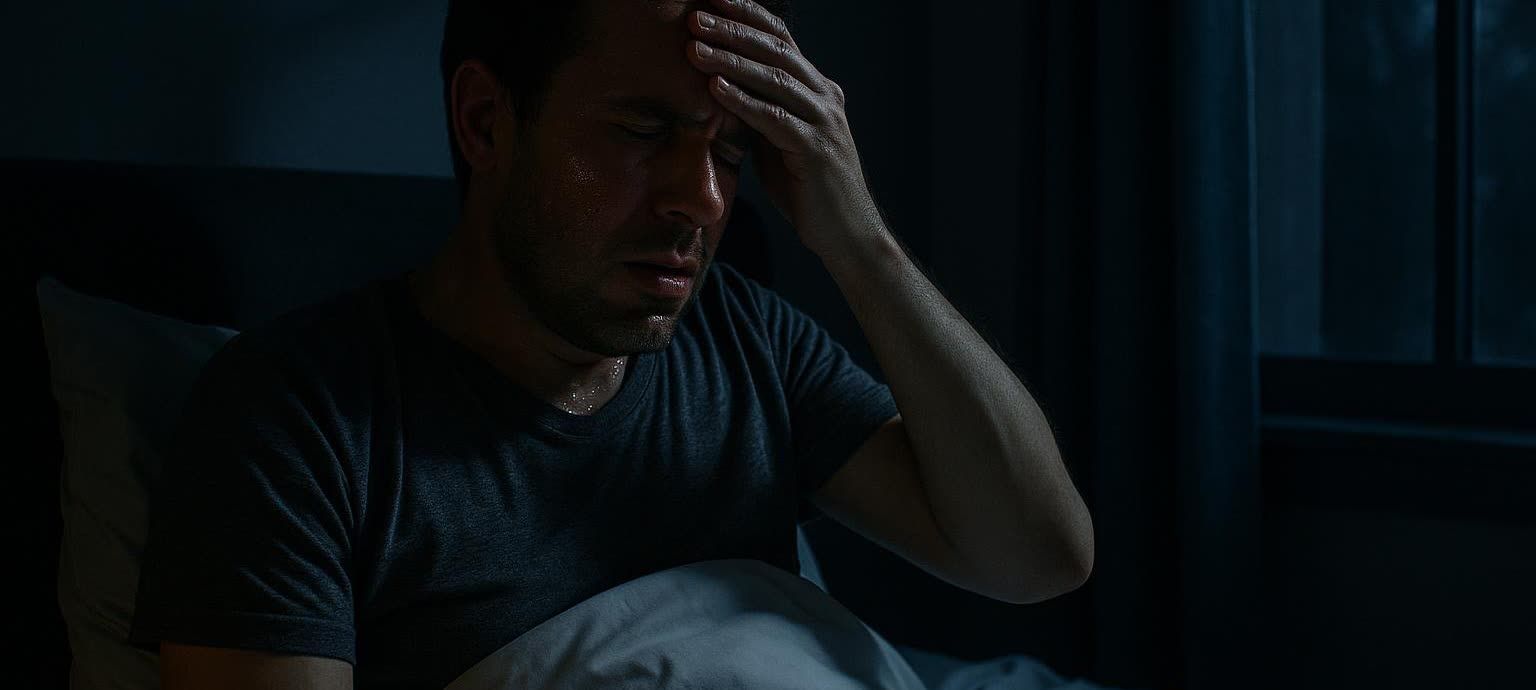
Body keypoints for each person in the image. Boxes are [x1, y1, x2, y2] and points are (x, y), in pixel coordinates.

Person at [129, 0, 1095, 687]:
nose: (702, 201)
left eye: (727, 151)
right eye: (641, 132)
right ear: (485, 121)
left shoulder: (745, 338)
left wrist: (859, 239)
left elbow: (1039, 557)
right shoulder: (299, 422)